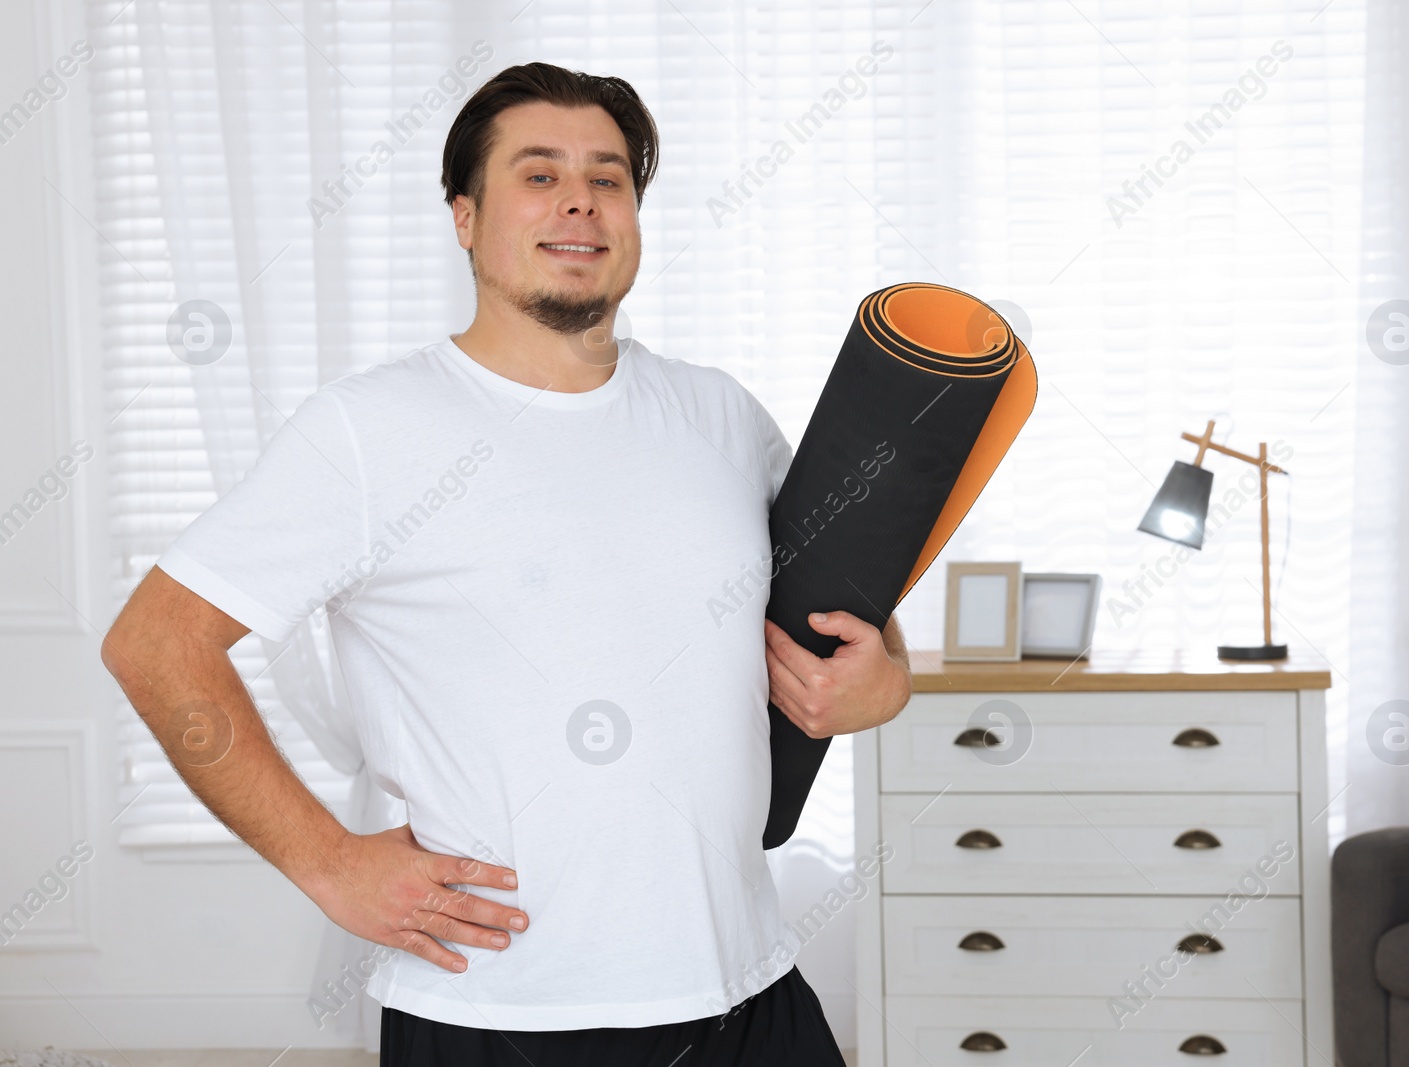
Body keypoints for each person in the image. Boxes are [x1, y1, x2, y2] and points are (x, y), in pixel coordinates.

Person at [102, 60, 913, 1066]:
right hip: (501, 1014)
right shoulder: (369, 429)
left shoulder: (721, 415)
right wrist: (327, 861)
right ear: (464, 217)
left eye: (607, 177)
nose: (579, 197)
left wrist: (887, 678)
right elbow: (157, 641)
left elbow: (845, 611)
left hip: (751, 989)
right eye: (538, 174)